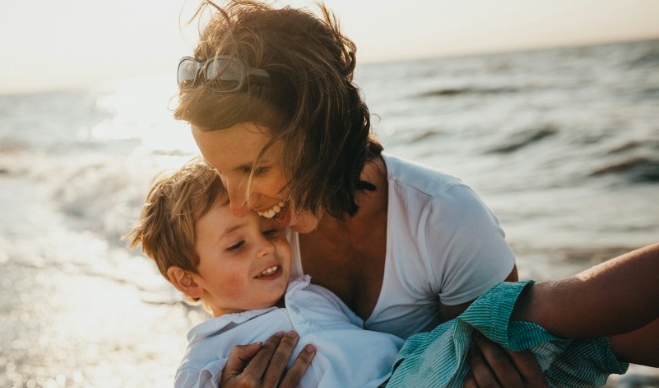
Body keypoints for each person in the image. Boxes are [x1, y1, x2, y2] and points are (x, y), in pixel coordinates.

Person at [173, 0, 532, 387]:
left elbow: (503, 365)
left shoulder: (445, 220)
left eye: (254, 170)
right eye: (219, 171)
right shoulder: (256, 240)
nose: (241, 204)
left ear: (320, 136)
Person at [127, 160, 658, 387]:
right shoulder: (210, 352)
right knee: (535, 311)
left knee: (596, 340)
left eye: (267, 232)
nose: (268, 249)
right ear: (188, 282)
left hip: (422, 366)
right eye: (237, 246)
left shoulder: (307, 292)